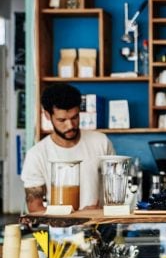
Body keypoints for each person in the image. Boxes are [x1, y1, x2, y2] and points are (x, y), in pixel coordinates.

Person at [21, 83, 115, 212]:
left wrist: (101, 211)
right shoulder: (36, 155)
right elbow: (35, 208)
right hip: (59, 229)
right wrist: (77, 216)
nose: (70, 125)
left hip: (99, 227)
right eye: (62, 120)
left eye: (74, 117)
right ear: (48, 116)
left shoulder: (101, 142)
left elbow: (114, 193)